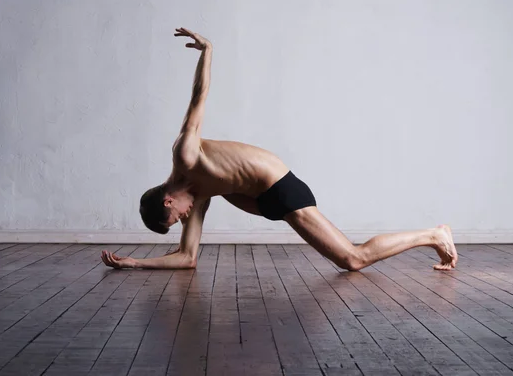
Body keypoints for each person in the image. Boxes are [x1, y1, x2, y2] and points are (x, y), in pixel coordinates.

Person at [101, 28, 458, 271]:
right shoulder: (200, 196)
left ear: (168, 200)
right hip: (266, 202)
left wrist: (208, 51)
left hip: (282, 189)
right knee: (349, 260)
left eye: (177, 216)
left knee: (352, 259)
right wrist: (135, 262)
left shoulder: (186, 157)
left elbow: (199, 97)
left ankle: (433, 234)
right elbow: (187, 257)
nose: (184, 216)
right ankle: (432, 235)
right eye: (181, 219)